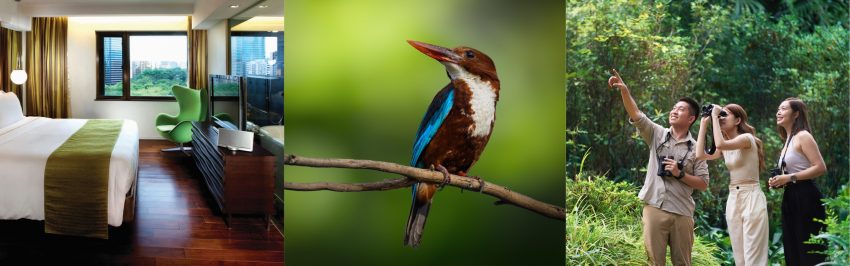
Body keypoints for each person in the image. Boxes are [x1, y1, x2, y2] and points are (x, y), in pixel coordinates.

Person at [608, 69, 709, 266]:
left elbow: (703, 183)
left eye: (680, 109)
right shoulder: (657, 134)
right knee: (654, 262)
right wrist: (625, 91)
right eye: (674, 108)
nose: (674, 111)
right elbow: (636, 114)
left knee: (683, 263)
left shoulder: (697, 148)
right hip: (654, 207)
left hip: (682, 212)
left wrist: (680, 173)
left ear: (691, 119)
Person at [695, 104, 768, 265]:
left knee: (753, 256)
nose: (720, 118)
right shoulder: (727, 144)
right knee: (739, 257)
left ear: (738, 120)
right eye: (720, 115)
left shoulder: (746, 139)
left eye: (724, 115)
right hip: (734, 197)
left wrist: (715, 117)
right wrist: (704, 124)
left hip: (751, 195)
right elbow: (700, 154)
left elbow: (720, 144)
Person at [767, 97, 828, 266]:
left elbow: (820, 167)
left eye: (784, 109)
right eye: (778, 109)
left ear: (796, 114)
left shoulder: (803, 136)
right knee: (792, 248)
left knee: (808, 249)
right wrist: (780, 181)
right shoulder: (788, 140)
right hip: (791, 196)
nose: (778, 112)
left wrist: (790, 177)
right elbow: (793, 172)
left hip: (806, 197)